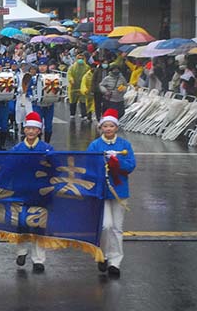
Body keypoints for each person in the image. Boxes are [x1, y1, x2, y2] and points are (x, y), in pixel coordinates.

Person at [87, 109, 136, 277]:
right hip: (101, 190)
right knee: (105, 225)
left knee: (117, 227)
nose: (108, 129)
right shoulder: (95, 145)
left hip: (119, 191)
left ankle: (115, 262)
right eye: (105, 126)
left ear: (116, 128)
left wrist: (117, 161)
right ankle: (103, 255)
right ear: (101, 128)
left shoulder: (124, 145)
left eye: (111, 126)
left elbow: (131, 165)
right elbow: (87, 166)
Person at [11, 112, 54, 273]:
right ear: (24, 130)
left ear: (39, 131)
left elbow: (55, 169)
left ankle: (39, 259)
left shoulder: (47, 149)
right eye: (28, 128)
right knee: (21, 223)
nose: (30, 131)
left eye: (33, 129)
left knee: (39, 226)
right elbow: (8, 169)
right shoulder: (17, 149)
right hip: (21, 191)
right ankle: (21, 252)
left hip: (40, 193)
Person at [67, 54, 90, 119]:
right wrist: (71, 80)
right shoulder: (72, 67)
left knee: (83, 101)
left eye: (82, 58)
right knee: (73, 101)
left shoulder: (87, 67)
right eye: (79, 58)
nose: (81, 60)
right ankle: (72, 113)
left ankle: (84, 114)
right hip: (73, 86)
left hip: (82, 86)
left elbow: (88, 75)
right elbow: (69, 74)